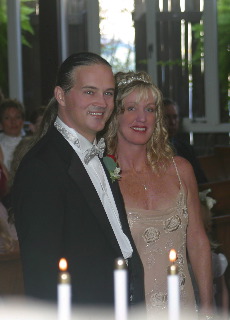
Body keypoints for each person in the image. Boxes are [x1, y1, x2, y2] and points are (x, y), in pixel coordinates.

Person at [11, 52, 145, 307]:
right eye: (89, 92)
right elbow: (41, 273)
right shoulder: (41, 167)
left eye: (108, 93)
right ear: (60, 95)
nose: (102, 103)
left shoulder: (103, 156)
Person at [105, 71, 213, 318]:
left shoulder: (180, 170)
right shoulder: (103, 176)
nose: (141, 118)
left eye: (150, 109)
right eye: (131, 108)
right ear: (115, 116)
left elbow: (197, 241)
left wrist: (207, 308)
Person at [162, 98, 207, 184]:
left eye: (175, 117)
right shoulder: (150, 149)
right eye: (167, 117)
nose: (172, 122)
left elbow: (201, 180)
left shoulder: (186, 148)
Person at [0, 99, 25, 172]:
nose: (13, 121)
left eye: (17, 117)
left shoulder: (31, 143)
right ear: (1, 123)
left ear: (23, 121)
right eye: (7, 118)